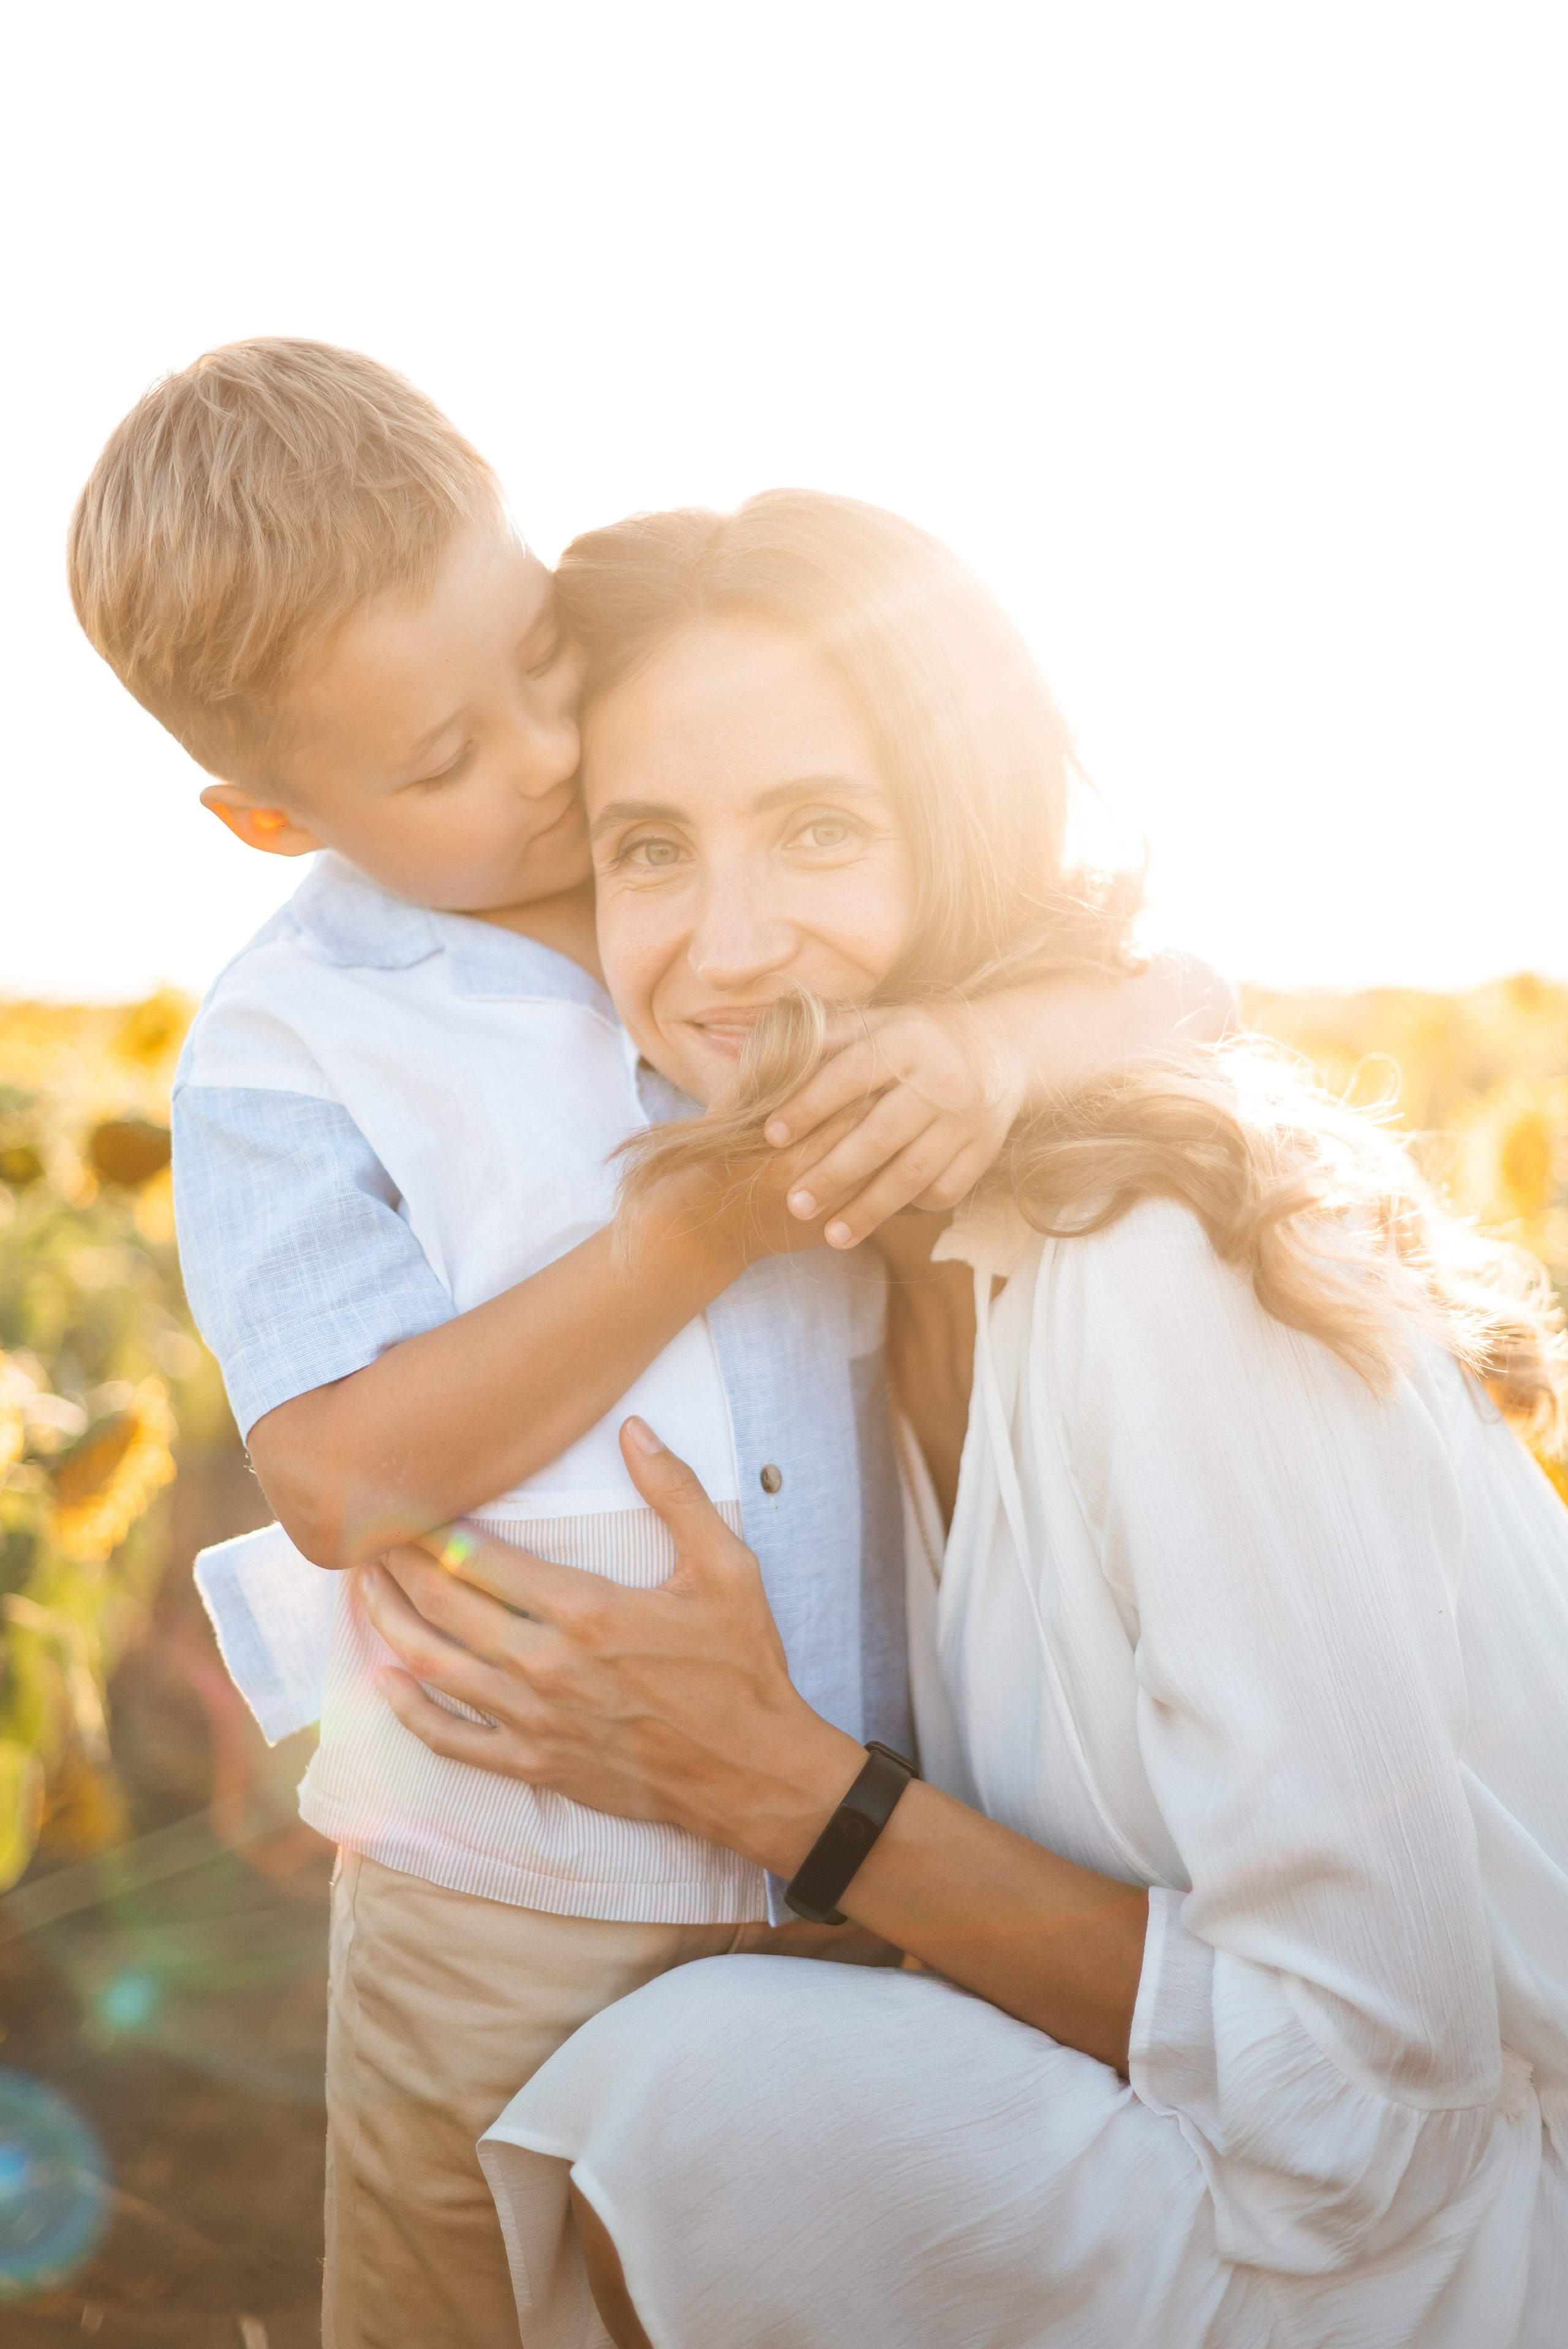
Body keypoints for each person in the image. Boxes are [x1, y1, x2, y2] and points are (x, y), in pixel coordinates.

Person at [68, 351, 1227, 2349]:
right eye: (441, 753)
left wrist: (985, 1045)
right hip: (503, 1873)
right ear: (273, 813)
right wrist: (682, 1235)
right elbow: (342, 1477)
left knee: (795, 2283)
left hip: (869, 1813)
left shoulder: (716, 865)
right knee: (469, 2293)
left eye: (541, 653)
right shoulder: (298, 1039)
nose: (540, 758)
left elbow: (1173, 989)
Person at [364, 491, 1568, 2349]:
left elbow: (1380, 2110)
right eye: (649, 849)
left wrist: (784, 1787)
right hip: (1256, 2157)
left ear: (966, 842)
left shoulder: (1162, 1276)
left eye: (822, 831)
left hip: (1465, 2230)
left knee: (706, 2099)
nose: (730, 947)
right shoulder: (842, 1281)